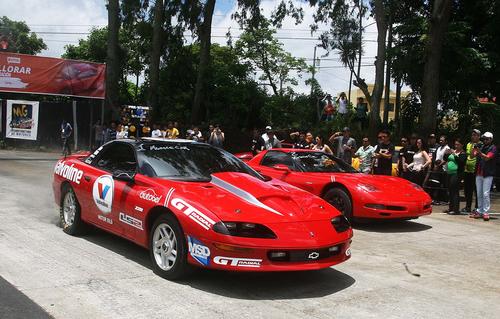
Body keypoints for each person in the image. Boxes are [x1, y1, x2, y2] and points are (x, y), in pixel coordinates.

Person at [470, 132, 497, 221]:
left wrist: (479, 152)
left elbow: (487, 158)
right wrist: (473, 147)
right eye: (484, 138)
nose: (485, 140)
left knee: (485, 194)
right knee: (479, 193)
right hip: (479, 173)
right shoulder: (481, 146)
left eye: (487, 139)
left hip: (488, 174)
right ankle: (479, 211)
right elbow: (471, 155)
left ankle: (486, 212)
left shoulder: (493, 148)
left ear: (491, 139)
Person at [445, 138, 466, 215]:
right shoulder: (453, 151)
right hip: (449, 173)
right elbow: (446, 159)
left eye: (458, 144)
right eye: (455, 144)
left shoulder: (463, 153)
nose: (456, 146)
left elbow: (461, 162)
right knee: (450, 190)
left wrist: (454, 154)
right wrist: (446, 153)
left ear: (462, 145)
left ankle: (456, 209)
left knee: (455, 191)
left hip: (456, 173)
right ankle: (450, 208)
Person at [462, 129, 480, 213]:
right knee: (467, 190)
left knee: (476, 190)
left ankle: (477, 208)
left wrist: (475, 146)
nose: (473, 136)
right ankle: (467, 207)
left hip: (475, 170)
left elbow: (474, 156)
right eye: (472, 135)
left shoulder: (480, 144)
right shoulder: (469, 144)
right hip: (467, 170)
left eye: (475, 135)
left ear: (479, 136)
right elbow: (467, 155)